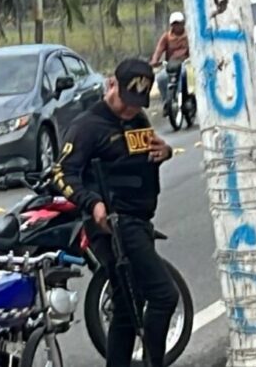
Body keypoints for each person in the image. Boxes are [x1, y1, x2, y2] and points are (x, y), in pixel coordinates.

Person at [51, 59, 179, 367]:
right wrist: (92, 202)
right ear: (112, 85)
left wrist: (165, 152)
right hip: (114, 225)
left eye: (137, 103)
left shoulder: (138, 119)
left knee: (126, 305)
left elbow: (145, 154)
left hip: (140, 219)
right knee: (164, 295)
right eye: (126, 101)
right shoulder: (87, 126)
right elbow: (61, 173)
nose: (130, 109)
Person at [149, 11, 190, 113]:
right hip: (171, 65)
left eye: (178, 23)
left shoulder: (189, 35)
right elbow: (159, 50)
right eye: (174, 24)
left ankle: (185, 98)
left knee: (183, 74)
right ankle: (166, 102)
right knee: (160, 78)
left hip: (185, 63)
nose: (176, 26)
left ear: (183, 23)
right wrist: (154, 61)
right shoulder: (167, 37)